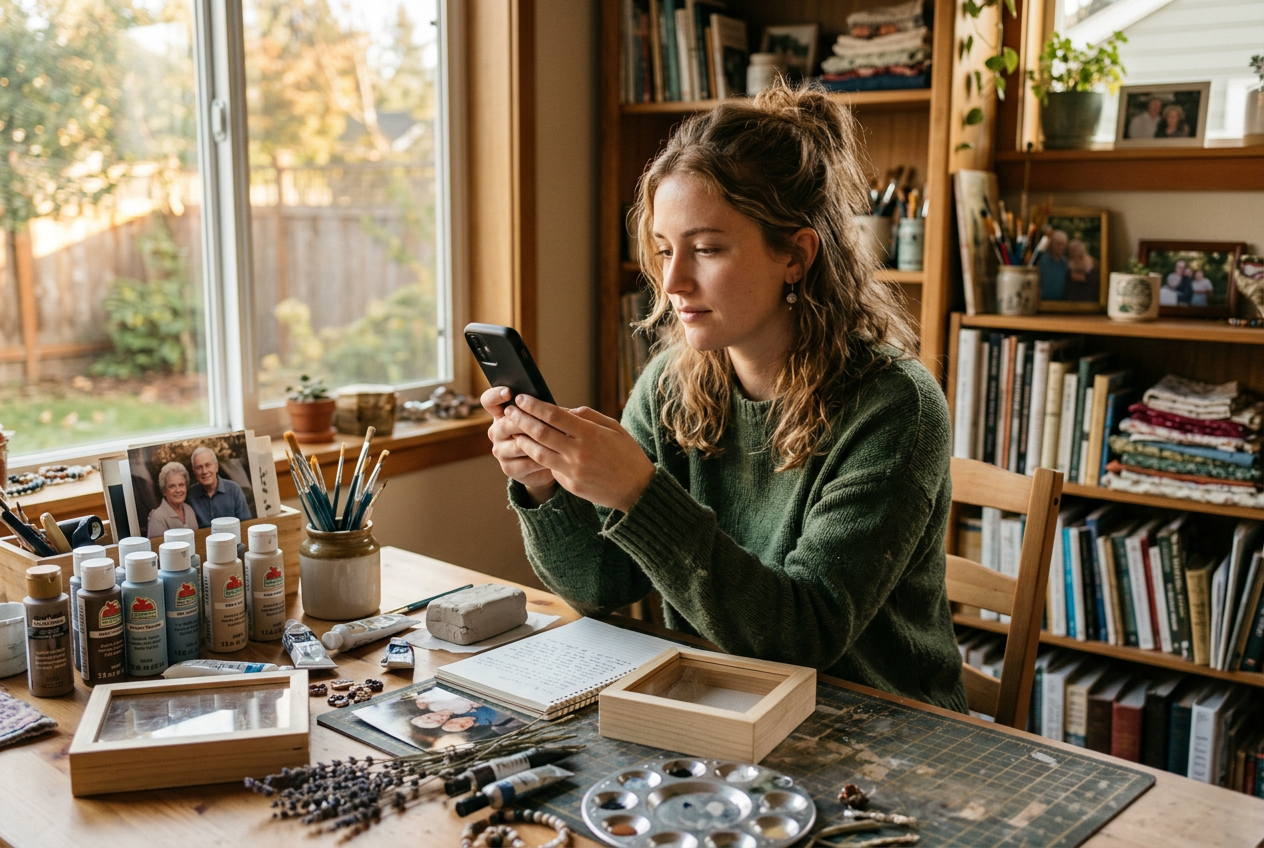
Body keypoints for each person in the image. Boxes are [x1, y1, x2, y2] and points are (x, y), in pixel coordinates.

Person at [482, 83, 967, 713]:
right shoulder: (669, 386)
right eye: (664, 250)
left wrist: (638, 494)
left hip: (880, 723)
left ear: (795, 255)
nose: (674, 281)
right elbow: (603, 584)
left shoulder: (896, 408)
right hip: (719, 703)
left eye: (707, 249)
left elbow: (805, 634)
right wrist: (547, 489)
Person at [186, 445, 253, 528]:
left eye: (208, 465)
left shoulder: (234, 490)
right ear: (194, 471)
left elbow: (246, 524)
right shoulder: (190, 496)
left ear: (216, 467)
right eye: (199, 467)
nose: (204, 471)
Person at [146, 461, 198, 536]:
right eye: (172, 486)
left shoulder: (189, 510)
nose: (178, 490)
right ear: (164, 491)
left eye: (181, 485)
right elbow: (156, 546)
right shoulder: (158, 517)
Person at [1036, 229, 1069, 300]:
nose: (1060, 247)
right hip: (1043, 303)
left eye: (1062, 244)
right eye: (1057, 243)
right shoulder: (1041, 261)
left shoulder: (1066, 263)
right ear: (1051, 244)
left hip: (1061, 305)